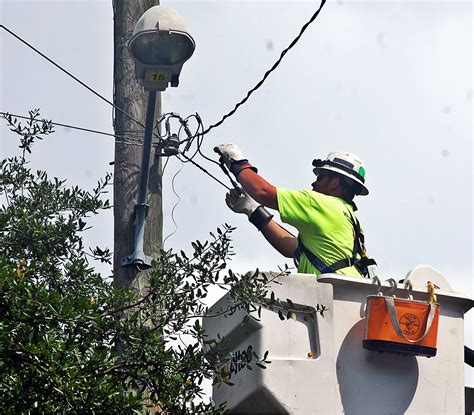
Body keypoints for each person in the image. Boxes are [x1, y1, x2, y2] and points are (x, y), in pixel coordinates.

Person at [214, 143, 376, 278]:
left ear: (334, 183)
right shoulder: (349, 218)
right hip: (347, 299)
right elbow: (293, 248)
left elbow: (262, 191)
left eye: (320, 178)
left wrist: (237, 163)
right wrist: (253, 210)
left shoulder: (320, 203)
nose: (313, 184)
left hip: (332, 296)